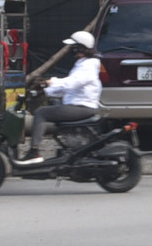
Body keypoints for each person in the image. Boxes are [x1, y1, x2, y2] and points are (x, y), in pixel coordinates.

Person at [20, 31, 102, 163]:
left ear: (80, 47)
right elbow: (67, 88)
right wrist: (45, 91)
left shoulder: (88, 65)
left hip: (82, 107)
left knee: (41, 113)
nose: (70, 50)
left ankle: (34, 152)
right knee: (50, 110)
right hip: (78, 105)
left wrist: (49, 82)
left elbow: (71, 83)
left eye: (73, 46)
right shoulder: (83, 64)